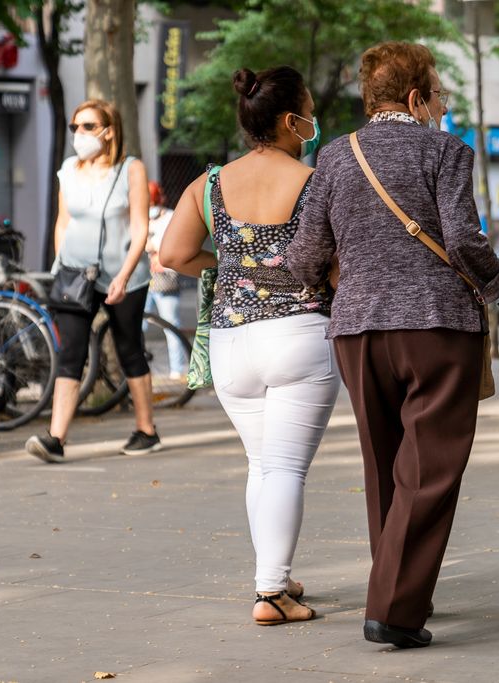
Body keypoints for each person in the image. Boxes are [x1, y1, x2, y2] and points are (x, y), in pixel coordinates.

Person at [287, 41, 499, 649]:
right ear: (418, 96)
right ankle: (395, 610)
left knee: (384, 466)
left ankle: (395, 589)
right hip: (436, 327)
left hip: (357, 332)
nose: (439, 106)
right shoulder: (446, 150)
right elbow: (461, 240)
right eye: (438, 95)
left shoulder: (335, 157)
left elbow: (306, 259)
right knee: (428, 470)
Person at [159, 65, 338, 627]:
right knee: (285, 468)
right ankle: (270, 593)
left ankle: (275, 575)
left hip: (233, 342)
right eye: (308, 111)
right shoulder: (314, 181)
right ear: (290, 120)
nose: (312, 122)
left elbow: (173, 256)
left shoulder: (207, 184)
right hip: (299, 335)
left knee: (263, 464)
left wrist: (233, 264)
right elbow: (333, 267)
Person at [26, 99, 160, 463]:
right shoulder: (69, 169)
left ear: (108, 130)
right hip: (75, 275)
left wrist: (125, 274)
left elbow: (139, 227)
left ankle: (146, 430)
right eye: (75, 127)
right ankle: (56, 439)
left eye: (87, 126)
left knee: (129, 348)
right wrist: (60, 264)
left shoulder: (131, 169)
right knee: (69, 354)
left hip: (124, 276)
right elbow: (63, 221)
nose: (79, 134)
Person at [144, 180, 187, 379]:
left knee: (171, 326)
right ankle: (140, 368)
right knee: (139, 325)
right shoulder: (140, 217)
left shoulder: (170, 216)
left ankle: (177, 370)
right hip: (144, 277)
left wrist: (155, 248)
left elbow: (175, 244)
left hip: (165, 278)